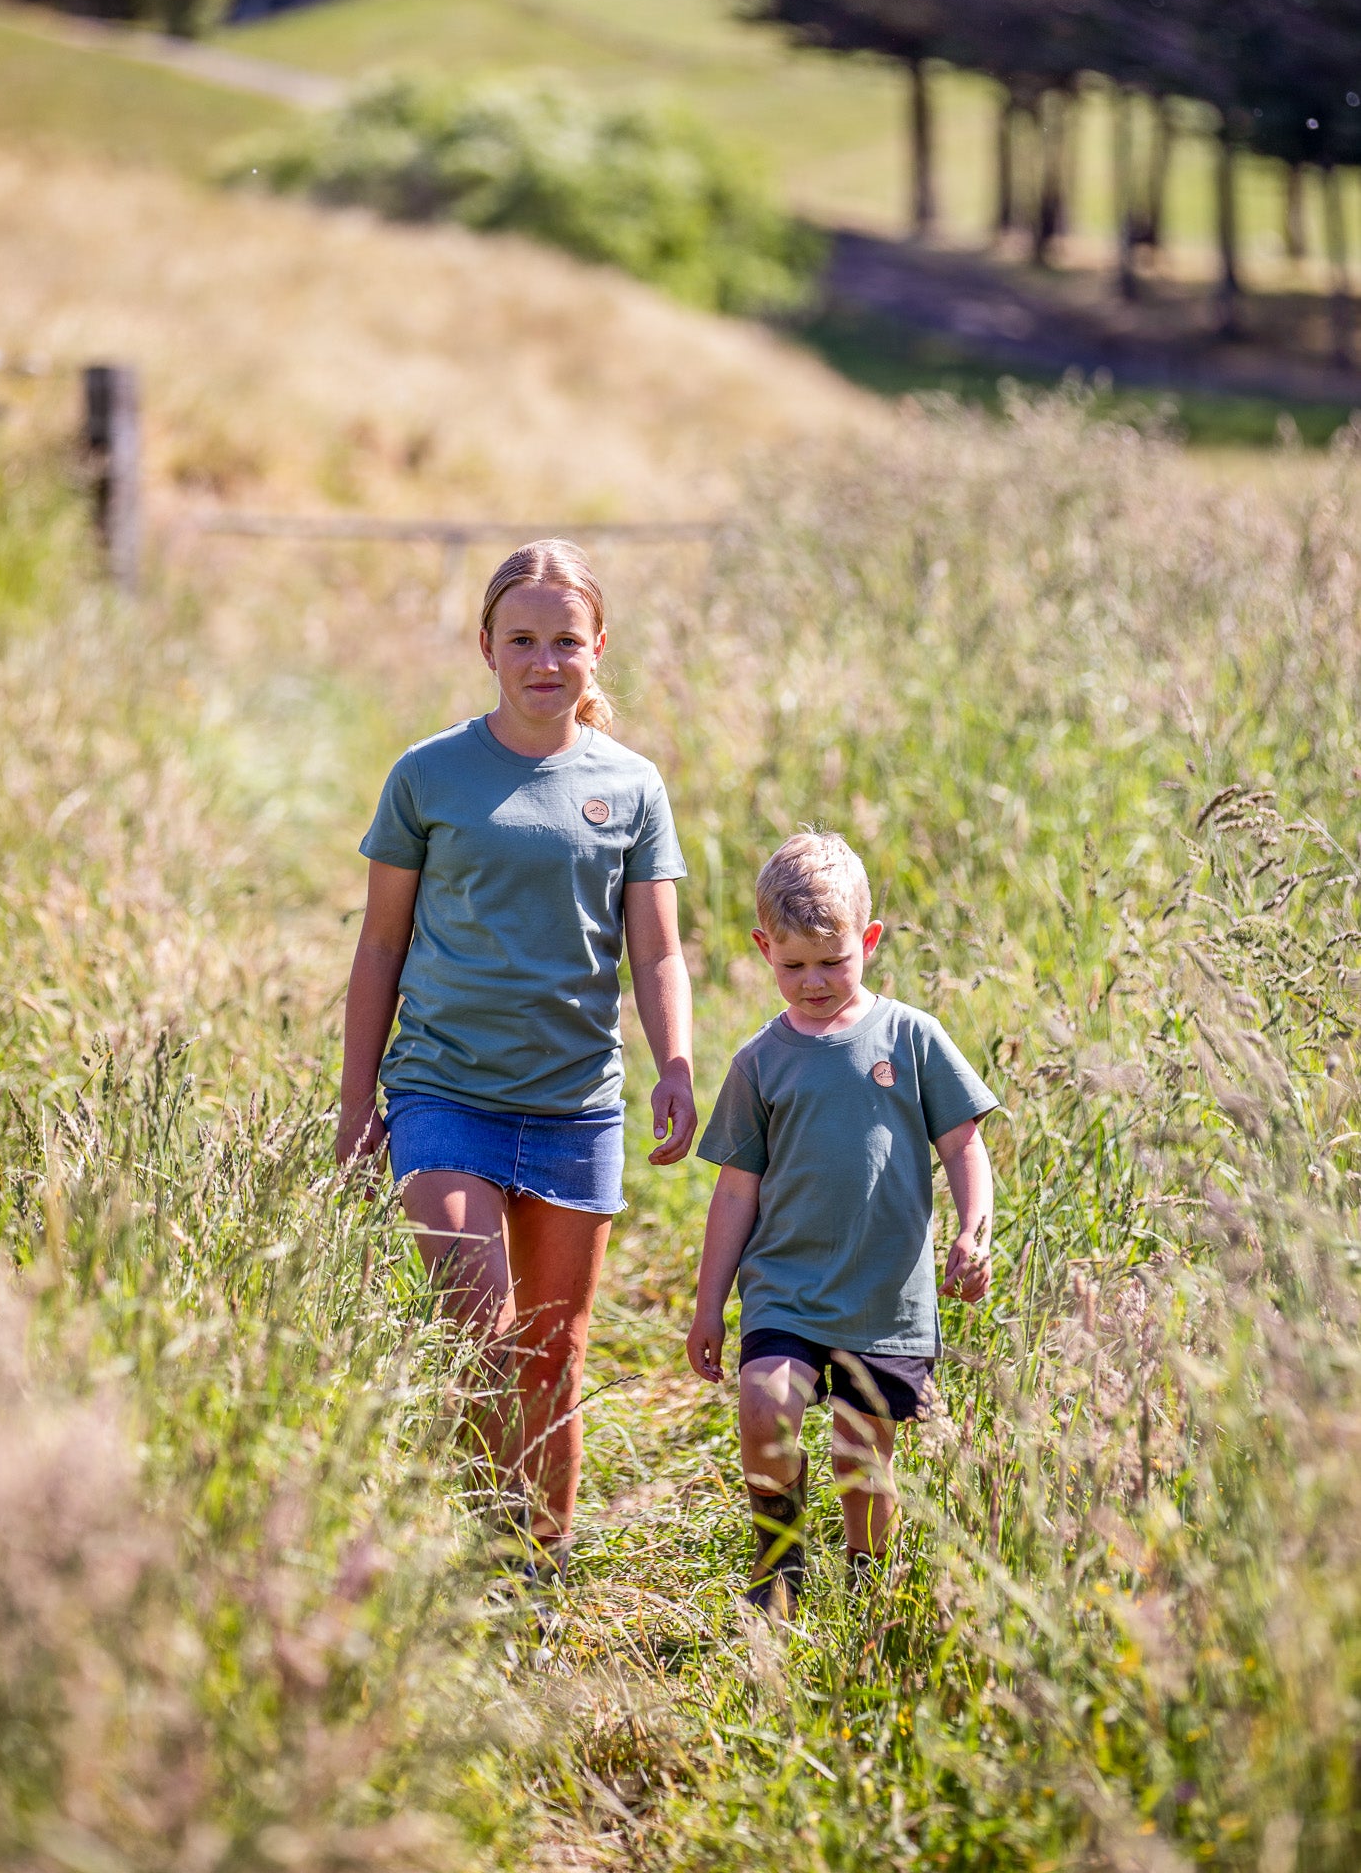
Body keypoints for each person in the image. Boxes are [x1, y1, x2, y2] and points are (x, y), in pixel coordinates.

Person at [338, 539, 695, 1580]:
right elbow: (378, 946)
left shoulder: (631, 786)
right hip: (444, 1092)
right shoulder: (429, 774)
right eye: (523, 638)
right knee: (479, 1330)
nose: (545, 660)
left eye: (566, 640)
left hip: (577, 1106)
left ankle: (541, 1570)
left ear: (598, 649)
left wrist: (674, 1060)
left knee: (555, 1351)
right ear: (486, 643)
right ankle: (487, 1546)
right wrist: (359, 1101)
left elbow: (660, 947)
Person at [686, 831, 998, 1619]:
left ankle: (867, 1584)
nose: (814, 982)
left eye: (832, 961)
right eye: (793, 966)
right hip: (785, 1288)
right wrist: (707, 1305)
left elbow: (963, 1142)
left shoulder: (910, 1037)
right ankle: (778, 1563)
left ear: (868, 941)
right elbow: (733, 1192)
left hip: (881, 1296)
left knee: (863, 1459)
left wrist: (973, 1230)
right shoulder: (761, 1060)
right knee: (764, 1406)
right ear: (762, 949)